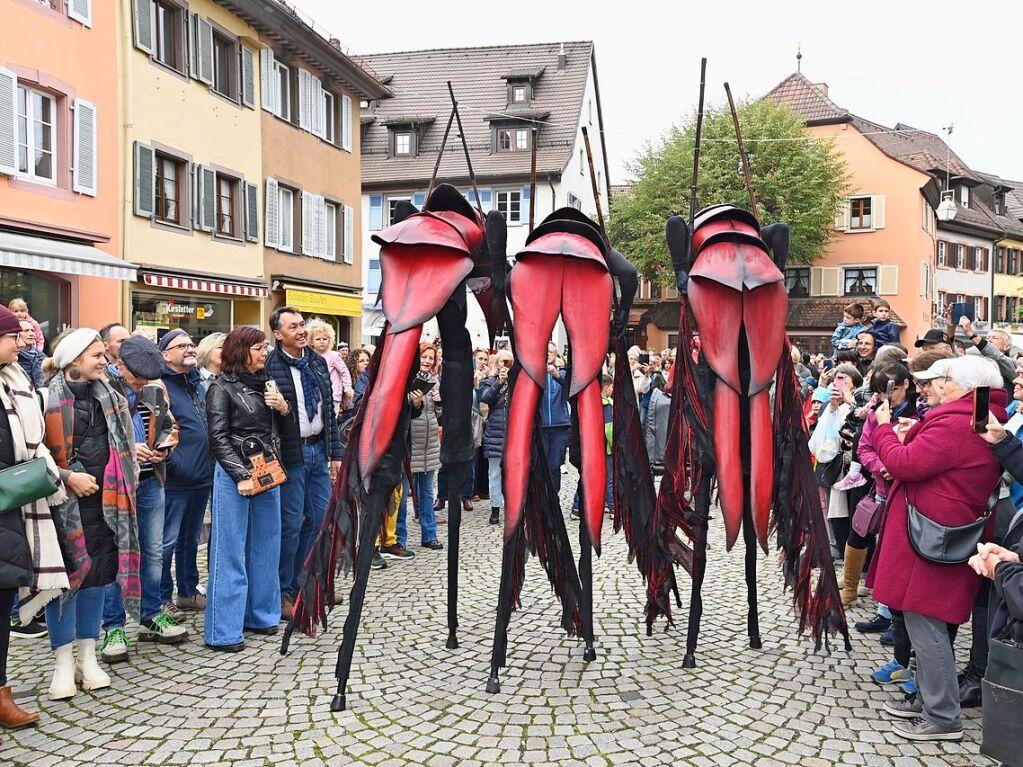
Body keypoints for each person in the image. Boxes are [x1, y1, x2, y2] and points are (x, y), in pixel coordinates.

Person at [870, 356, 1006, 741]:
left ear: (964, 386)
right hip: (942, 533)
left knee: (925, 623)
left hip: (931, 538)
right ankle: (932, 700)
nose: (937, 387)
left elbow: (904, 463)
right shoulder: (977, 416)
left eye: (943, 380)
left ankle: (943, 716)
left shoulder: (957, 421)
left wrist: (883, 430)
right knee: (928, 623)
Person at [42, 328, 139, 700]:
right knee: (62, 584)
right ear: (74, 362)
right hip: (60, 505)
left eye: (104, 354)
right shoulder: (45, 400)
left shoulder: (111, 397)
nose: (105, 360)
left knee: (98, 577)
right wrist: (68, 478)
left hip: (107, 505)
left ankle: (88, 654)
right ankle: (63, 662)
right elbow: (34, 454)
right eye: (97, 355)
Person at [204, 327, 291, 651]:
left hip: (267, 468)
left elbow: (283, 431)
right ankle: (223, 630)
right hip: (234, 472)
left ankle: (261, 615)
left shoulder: (268, 384)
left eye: (265, 346)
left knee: (267, 544)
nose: (265, 352)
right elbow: (218, 437)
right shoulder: (220, 388)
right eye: (258, 347)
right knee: (229, 550)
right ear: (241, 351)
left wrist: (283, 409)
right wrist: (240, 473)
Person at [0, 306, 66, 727]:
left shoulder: (15, 379)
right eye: (12, 335)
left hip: (13, 504)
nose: (21, 341)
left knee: (2, 596)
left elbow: (32, 438)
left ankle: (1, 692)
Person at [100, 337, 184, 664]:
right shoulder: (102, 388)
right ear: (119, 364)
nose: (143, 382)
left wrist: (165, 445)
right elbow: (91, 440)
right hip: (116, 485)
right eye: (137, 377)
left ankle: (151, 616)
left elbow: (169, 425)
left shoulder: (154, 385)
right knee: (115, 555)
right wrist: (126, 449)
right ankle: (114, 626)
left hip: (152, 480)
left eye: (148, 378)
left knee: (153, 552)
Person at [264, 308, 342, 618]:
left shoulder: (317, 362)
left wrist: (335, 454)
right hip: (292, 455)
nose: (301, 331)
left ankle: (307, 582)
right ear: (278, 334)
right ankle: (283, 589)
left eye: (302, 325)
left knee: (320, 520)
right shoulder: (270, 366)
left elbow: (329, 415)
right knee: (291, 524)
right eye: (293, 326)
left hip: (317, 451)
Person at [159, 330, 212, 618]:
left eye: (191, 344)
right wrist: (174, 464)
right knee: (166, 542)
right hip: (176, 478)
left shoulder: (197, 383)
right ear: (165, 354)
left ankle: (188, 592)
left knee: (190, 540)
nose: (190, 349)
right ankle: (161, 598)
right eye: (181, 346)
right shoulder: (160, 385)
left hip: (201, 475)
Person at [409, 342, 443, 549]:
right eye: (424, 356)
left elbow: (438, 415)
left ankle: (429, 535)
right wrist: (416, 403)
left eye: (431, 358)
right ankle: (399, 540)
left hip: (429, 443)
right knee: (404, 491)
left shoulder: (434, 381)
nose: (428, 361)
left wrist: (439, 403)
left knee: (428, 491)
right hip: (412, 439)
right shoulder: (409, 378)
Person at [480, 350, 512, 525]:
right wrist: (499, 382)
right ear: (496, 363)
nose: (505, 365)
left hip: (513, 433)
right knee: (494, 473)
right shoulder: (490, 381)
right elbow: (485, 398)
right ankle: (495, 509)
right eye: (502, 361)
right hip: (495, 431)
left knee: (512, 473)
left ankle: (512, 507)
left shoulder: (516, 382)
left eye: (509, 362)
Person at [540, 343, 572, 495]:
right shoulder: (535, 372)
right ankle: (542, 498)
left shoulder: (563, 373)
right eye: (544, 351)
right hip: (541, 426)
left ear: (556, 355)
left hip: (560, 426)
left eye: (550, 352)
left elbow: (570, 386)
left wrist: (556, 374)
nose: (547, 354)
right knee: (541, 465)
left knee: (555, 465)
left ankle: (554, 497)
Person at [307, 319, 352, 418]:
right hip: (316, 395)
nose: (322, 342)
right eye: (318, 339)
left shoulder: (334, 356)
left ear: (330, 340)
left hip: (333, 395)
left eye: (325, 339)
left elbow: (344, 372)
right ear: (311, 341)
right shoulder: (309, 356)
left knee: (330, 421)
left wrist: (347, 387)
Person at [15, 320, 43, 390]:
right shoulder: (12, 358)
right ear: (17, 334)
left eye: (32, 331)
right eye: (26, 331)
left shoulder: (42, 357)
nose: (31, 334)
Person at [347, 347, 371, 420]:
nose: (366, 363)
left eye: (368, 360)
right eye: (361, 361)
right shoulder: (347, 381)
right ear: (353, 364)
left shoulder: (371, 378)